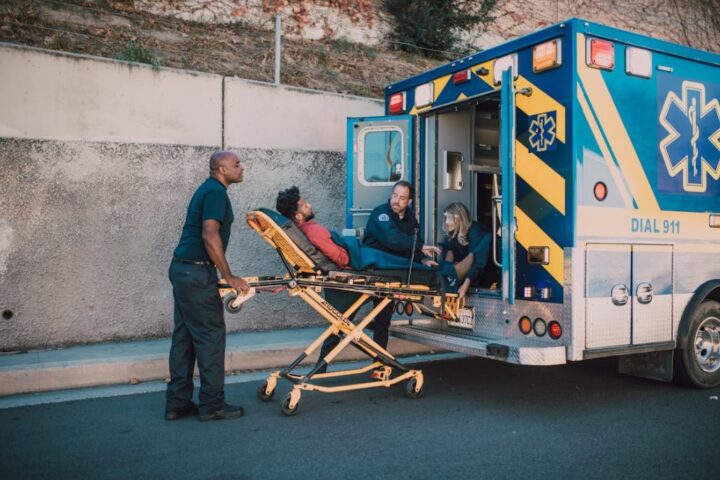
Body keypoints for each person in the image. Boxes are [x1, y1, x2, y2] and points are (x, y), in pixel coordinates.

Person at [165, 150, 250, 422]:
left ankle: (177, 404)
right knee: (210, 337)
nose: (241, 167)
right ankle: (212, 405)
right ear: (221, 170)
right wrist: (228, 276)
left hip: (183, 270)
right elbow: (209, 234)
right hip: (197, 273)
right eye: (236, 164)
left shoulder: (208, 189)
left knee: (184, 338)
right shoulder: (215, 193)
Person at [275, 186, 358, 374]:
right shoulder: (314, 231)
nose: (309, 205)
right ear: (298, 216)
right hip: (348, 278)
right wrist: (353, 252)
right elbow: (343, 258)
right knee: (349, 321)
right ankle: (381, 357)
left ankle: (321, 366)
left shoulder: (304, 231)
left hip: (336, 281)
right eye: (304, 205)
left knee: (340, 324)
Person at [362, 180, 439, 355]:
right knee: (345, 319)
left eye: (402, 198)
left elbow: (412, 245)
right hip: (373, 269)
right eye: (395, 195)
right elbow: (392, 238)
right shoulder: (380, 214)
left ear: (409, 201)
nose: (396, 201)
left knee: (383, 321)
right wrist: (419, 247)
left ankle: (379, 364)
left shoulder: (411, 219)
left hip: (392, 274)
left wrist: (422, 260)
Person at [438, 202, 492, 298]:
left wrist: (465, 286)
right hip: (473, 276)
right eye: (446, 218)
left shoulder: (475, 231)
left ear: (459, 218)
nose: (446, 222)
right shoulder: (453, 233)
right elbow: (448, 252)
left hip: (487, 275)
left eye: (449, 218)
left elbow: (477, 260)